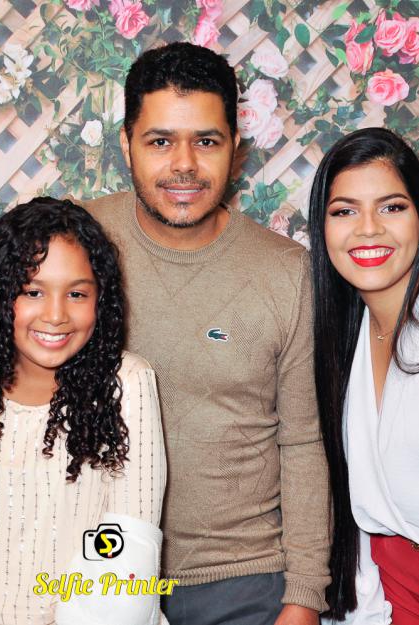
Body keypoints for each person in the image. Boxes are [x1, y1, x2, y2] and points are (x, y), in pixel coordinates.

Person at [77, 42, 330, 625]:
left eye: (207, 142)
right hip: (98, 568)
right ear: (127, 145)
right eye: (161, 141)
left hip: (243, 580)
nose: (185, 164)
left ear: (235, 149)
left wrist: (303, 597)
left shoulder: (287, 273)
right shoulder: (77, 238)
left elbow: (303, 443)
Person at [0, 197, 167, 625]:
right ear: (0, 295)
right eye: (33, 292)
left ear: (101, 300)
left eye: (76, 294)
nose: (56, 315)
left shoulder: (126, 384)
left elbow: (127, 548)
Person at [309, 127, 419, 625]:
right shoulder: (343, 338)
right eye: (344, 211)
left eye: (392, 207)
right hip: (387, 600)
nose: (369, 229)